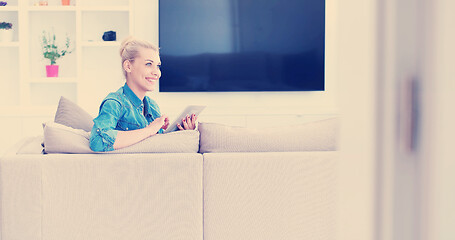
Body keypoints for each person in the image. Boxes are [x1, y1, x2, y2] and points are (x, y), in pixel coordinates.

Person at [90, 36, 197, 152]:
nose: (157, 73)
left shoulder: (152, 106)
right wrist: (150, 130)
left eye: (158, 66)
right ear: (128, 66)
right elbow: (98, 142)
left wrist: (183, 134)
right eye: (148, 64)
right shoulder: (114, 103)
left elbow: (155, 147)